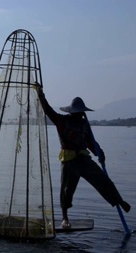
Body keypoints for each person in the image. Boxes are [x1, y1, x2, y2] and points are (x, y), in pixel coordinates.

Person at [36, 86, 130, 229]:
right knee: (67, 190)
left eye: (81, 113)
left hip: (83, 159)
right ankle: (65, 218)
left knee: (103, 180)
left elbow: (90, 142)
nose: (80, 115)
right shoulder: (62, 121)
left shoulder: (84, 124)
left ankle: (118, 200)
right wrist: (41, 96)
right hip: (69, 161)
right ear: (72, 112)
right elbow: (48, 111)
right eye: (77, 113)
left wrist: (99, 152)